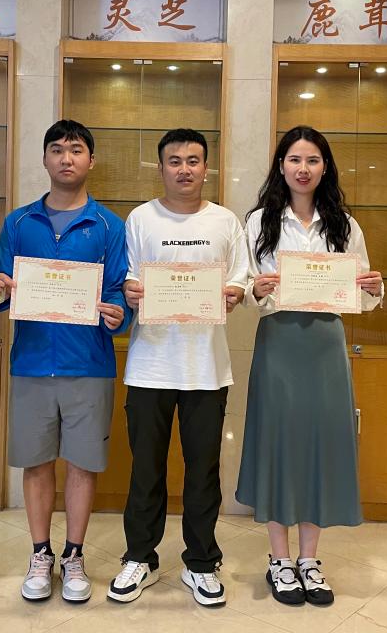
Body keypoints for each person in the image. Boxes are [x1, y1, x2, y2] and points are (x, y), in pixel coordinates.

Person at [237, 125, 383, 606]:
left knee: (321, 443)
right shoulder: (259, 222)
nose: (303, 168)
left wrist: (374, 287)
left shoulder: (344, 225)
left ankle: (309, 560)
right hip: (279, 342)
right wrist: (256, 290)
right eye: (295, 159)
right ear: (281, 166)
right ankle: (279, 560)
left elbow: (362, 293)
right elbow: (247, 287)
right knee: (280, 442)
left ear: (325, 168)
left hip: (325, 344)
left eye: (313, 160)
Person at [0, 120, 130, 604]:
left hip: (89, 364)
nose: (66, 158)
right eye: (57, 149)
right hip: (31, 362)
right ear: (45, 159)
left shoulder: (110, 226)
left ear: (91, 160)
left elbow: (119, 291)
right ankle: (40, 553)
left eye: (76, 150)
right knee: (36, 463)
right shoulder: (18, 223)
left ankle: (74, 555)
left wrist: (119, 312)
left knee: (83, 465)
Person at [108, 128, 248, 607]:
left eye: (193, 160)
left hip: (207, 368)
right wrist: (130, 291)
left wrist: (235, 293)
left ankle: (201, 562)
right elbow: (127, 278)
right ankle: (140, 557)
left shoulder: (226, 222)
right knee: (145, 469)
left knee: (203, 471)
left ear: (206, 167)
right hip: (149, 366)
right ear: (161, 167)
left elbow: (241, 279)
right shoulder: (140, 219)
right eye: (174, 161)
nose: (184, 169)